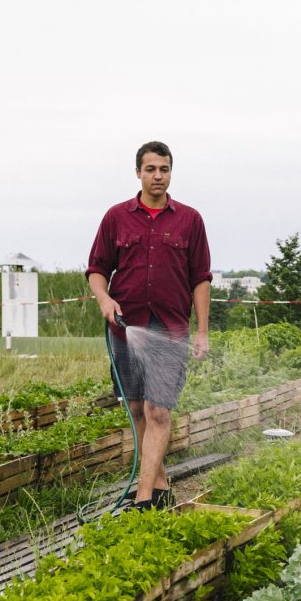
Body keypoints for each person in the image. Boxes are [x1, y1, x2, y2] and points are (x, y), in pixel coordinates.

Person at [86, 141, 212, 510]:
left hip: (170, 329)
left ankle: (143, 498)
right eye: (151, 169)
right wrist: (105, 299)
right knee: (138, 409)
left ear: (171, 172)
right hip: (126, 329)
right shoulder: (116, 217)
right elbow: (96, 269)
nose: (158, 176)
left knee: (159, 411)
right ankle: (159, 485)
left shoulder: (190, 220)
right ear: (138, 172)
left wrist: (202, 329)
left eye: (164, 169)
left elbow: (201, 278)